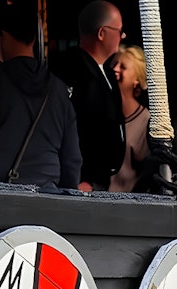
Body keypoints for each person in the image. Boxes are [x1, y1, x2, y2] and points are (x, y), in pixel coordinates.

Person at [0, 0, 81, 190]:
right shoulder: (59, 89)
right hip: (48, 193)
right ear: (35, 39)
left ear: (2, 36)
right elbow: (72, 160)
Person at [52, 1, 126, 191]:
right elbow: (70, 128)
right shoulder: (71, 72)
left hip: (101, 180)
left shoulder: (107, 73)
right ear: (101, 33)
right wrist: (81, 179)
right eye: (119, 31)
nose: (123, 36)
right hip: (82, 182)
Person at [108, 45, 151, 192]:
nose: (115, 69)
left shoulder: (145, 120)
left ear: (136, 80)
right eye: (114, 64)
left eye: (123, 67)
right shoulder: (104, 110)